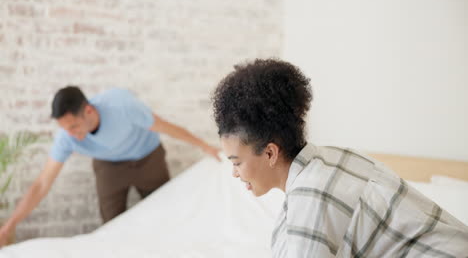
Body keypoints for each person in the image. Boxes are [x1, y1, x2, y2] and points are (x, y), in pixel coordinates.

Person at [212, 58, 468, 257]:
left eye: (236, 162)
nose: (234, 173)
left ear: (270, 153)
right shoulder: (334, 158)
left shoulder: (311, 198)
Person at [0, 86, 220, 247]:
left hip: (147, 157)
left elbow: (165, 126)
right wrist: (11, 224)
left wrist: (204, 146)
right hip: (109, 167)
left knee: (165, 213)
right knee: (112, 226)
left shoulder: (122, 105)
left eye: (74, 126)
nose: (71, 134)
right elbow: (42, 183)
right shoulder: (66, 137)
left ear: (88, 111)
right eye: (65, 128)